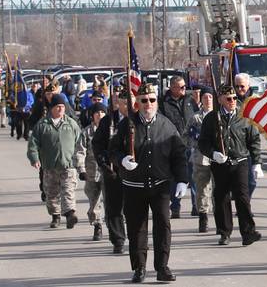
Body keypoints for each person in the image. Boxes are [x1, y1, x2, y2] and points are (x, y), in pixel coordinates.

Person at [110, 82, 188, 284]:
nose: (148, 104)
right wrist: (122, 160)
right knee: (137, 228)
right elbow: (113, 150)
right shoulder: (127, 124)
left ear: (157, 101)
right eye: (144, 100)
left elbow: (179, 155)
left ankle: (162, 267)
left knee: (163, 225)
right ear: (137, 102)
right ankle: (139, 268)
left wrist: (182, 180)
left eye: (152, 100)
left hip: (160, 185)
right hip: (134, 186)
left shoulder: (167, 125)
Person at [198, 84, 263, 246]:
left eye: (234, 98)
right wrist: (213, 153)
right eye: (228, 99)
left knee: (242, 198)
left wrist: (257, 163)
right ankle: (224, 232)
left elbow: (254, 140)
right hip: (220, 164)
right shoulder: (211, 118)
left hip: (240, 162)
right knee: (221, 198)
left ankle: (248, 232)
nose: (233, 101)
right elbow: (203, 142)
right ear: (220, 99)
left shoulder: (245, 116)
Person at [27, 93, 84, 229]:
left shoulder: (71, 124)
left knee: (68, 190)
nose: (60, 109)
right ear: (52, 108)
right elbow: (33, 144)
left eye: (62, 107)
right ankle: (56, 216)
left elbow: (80, 144)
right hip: (50, 165)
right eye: (58, 107)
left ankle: (70, 214)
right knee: (51, 193)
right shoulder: (42, 125)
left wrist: (80, 164)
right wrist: (34, 158)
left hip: (68, 165)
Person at [92, 86, 131, 254]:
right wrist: (103, 163)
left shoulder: (138, 120)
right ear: (118, 104)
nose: (127, 106)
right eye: (123, 103)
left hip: (135, 172)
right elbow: (97, 144)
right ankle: (118, 240)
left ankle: (137, 237)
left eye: (130, 102)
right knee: (114, 207)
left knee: (133, 207)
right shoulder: (109, 121)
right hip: (113, 171)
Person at [160, 75, 196, 219]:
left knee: (194, 176)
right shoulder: (163, 103)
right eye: (180, 87)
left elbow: (196, 117)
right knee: (175, 178)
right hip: (173, 145)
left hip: (190, 144)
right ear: (172, 87)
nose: (184, 89)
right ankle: (175, 206)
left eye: (184, 87)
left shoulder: (190, 100)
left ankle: (196, 206)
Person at [76, 100, 108, 242]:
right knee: (93, 201)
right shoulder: (86, 132)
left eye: (102, 112)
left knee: (110, 202)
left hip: (108, 171)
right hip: (91, 171)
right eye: (97, 113)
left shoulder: (111, 129)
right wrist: (81, 169)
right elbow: (80, 151)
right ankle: (97, 226)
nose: (99, 115)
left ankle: (113, 227)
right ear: (92, 115)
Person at [186, 89, 215, 233]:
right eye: (205, 97)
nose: (208, 99)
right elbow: (187, 135)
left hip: (217, 157)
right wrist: (195, 139)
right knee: (202, 189)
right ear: (201, 99)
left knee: (218, 189)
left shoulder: (219, 116)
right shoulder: (195, 117)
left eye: (210, 96)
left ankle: (220, 218)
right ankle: (203, 218)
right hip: (200, 157)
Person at [234, 73, 262, 201]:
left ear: (248, 85)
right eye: (236, 86)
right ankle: (244, 206)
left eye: (242, 86)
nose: (239, 89)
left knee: (251, 182)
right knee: (238, 183)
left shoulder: (256, 101)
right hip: (236, 145)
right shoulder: (231, 99)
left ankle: (244, 202)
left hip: (251, 143)